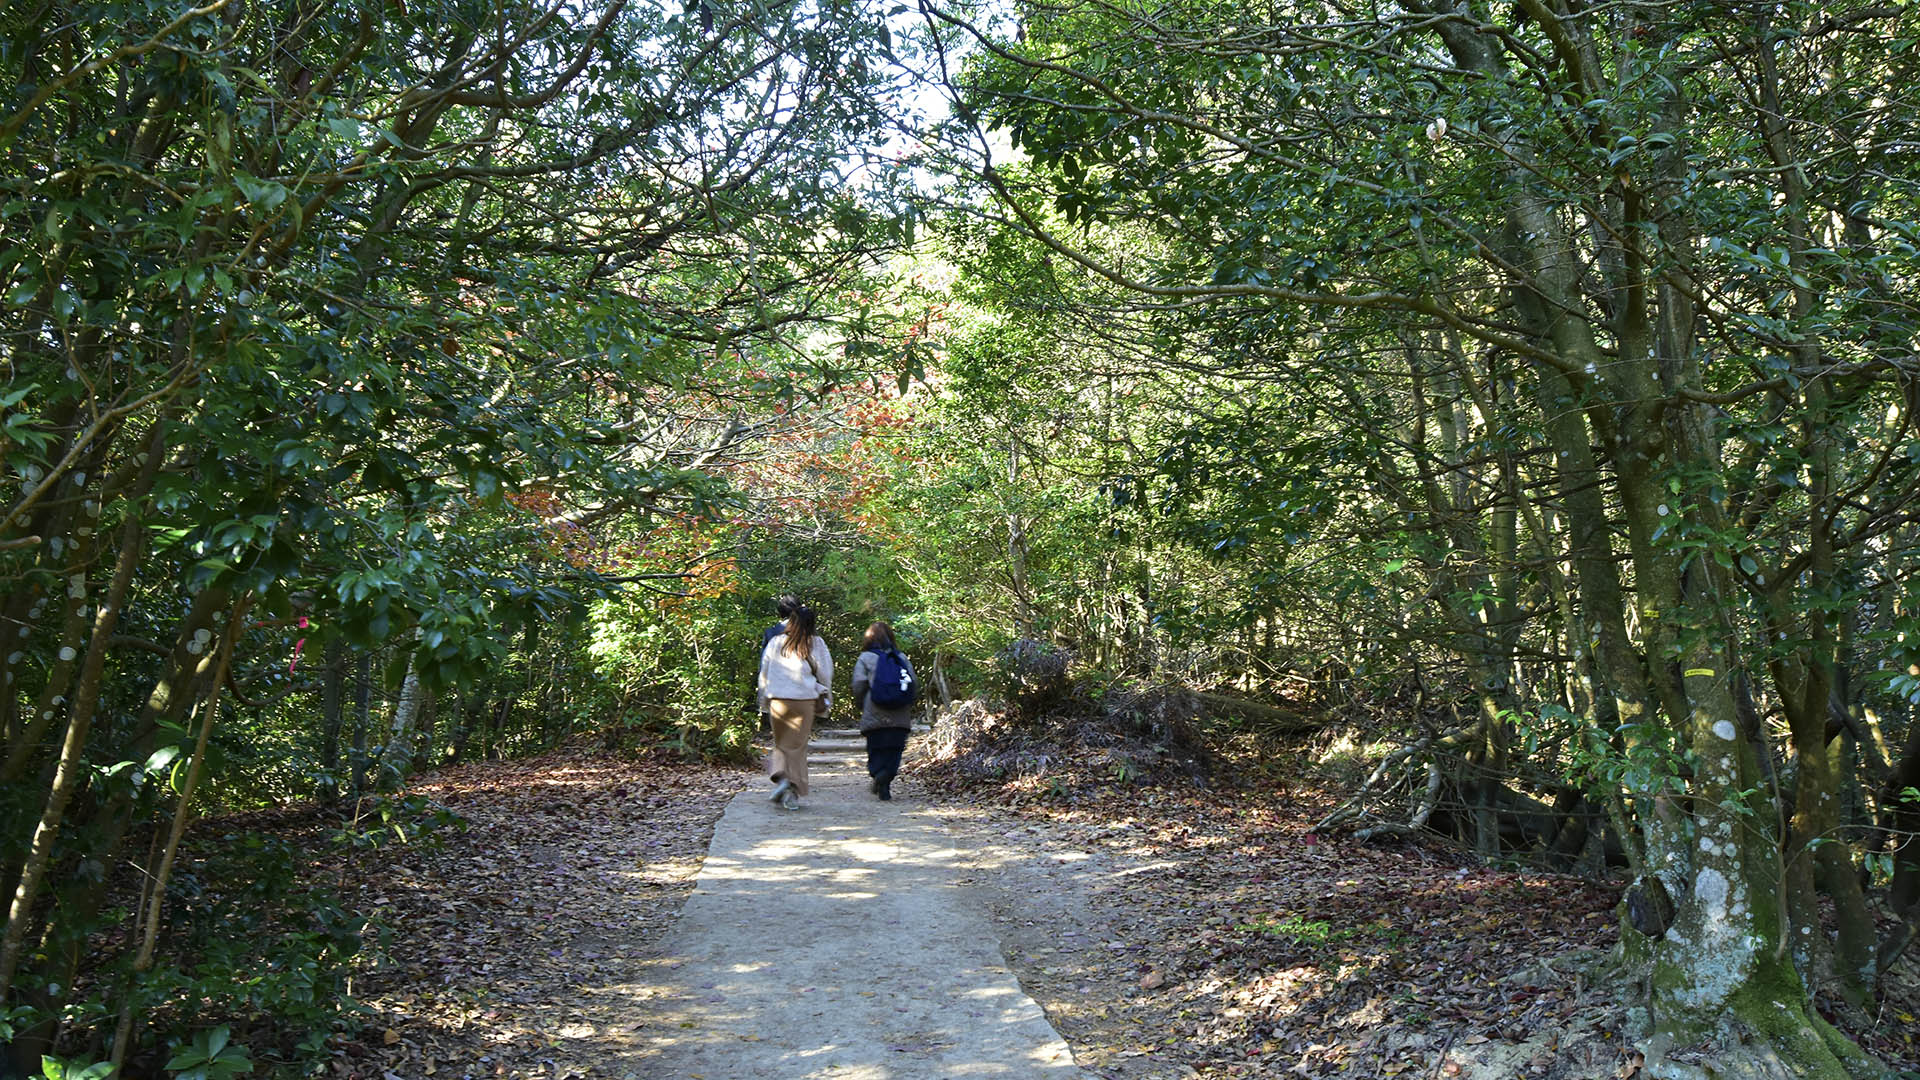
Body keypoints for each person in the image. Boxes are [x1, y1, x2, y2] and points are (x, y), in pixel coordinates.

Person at [758, 605, 831, 810]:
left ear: (792, 621)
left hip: (778, 700)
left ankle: (781, 778)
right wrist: (826, 699)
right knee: (797, 745)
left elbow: (764, 674)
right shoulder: (816, 644)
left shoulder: (775, 642)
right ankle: (792, 787)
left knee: (782, 743)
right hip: (803, 699)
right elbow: (825, 675)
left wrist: (763, 701)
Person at [849, 622, 916, 801]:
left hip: (874, 710)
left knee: (875, 748)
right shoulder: (900, 657)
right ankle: (887, 776)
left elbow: (858, 683)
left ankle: (878, 774)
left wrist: (861, 703)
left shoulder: (865, 658)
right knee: (895, 749)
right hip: (899, 713)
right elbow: (912, 682)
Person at [757, 595, 799, 732]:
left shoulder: (771, 632)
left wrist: (762, 692)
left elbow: (764, 664)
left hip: (776, 685)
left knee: (780, 731)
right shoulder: (807, 632)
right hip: (801, 686)